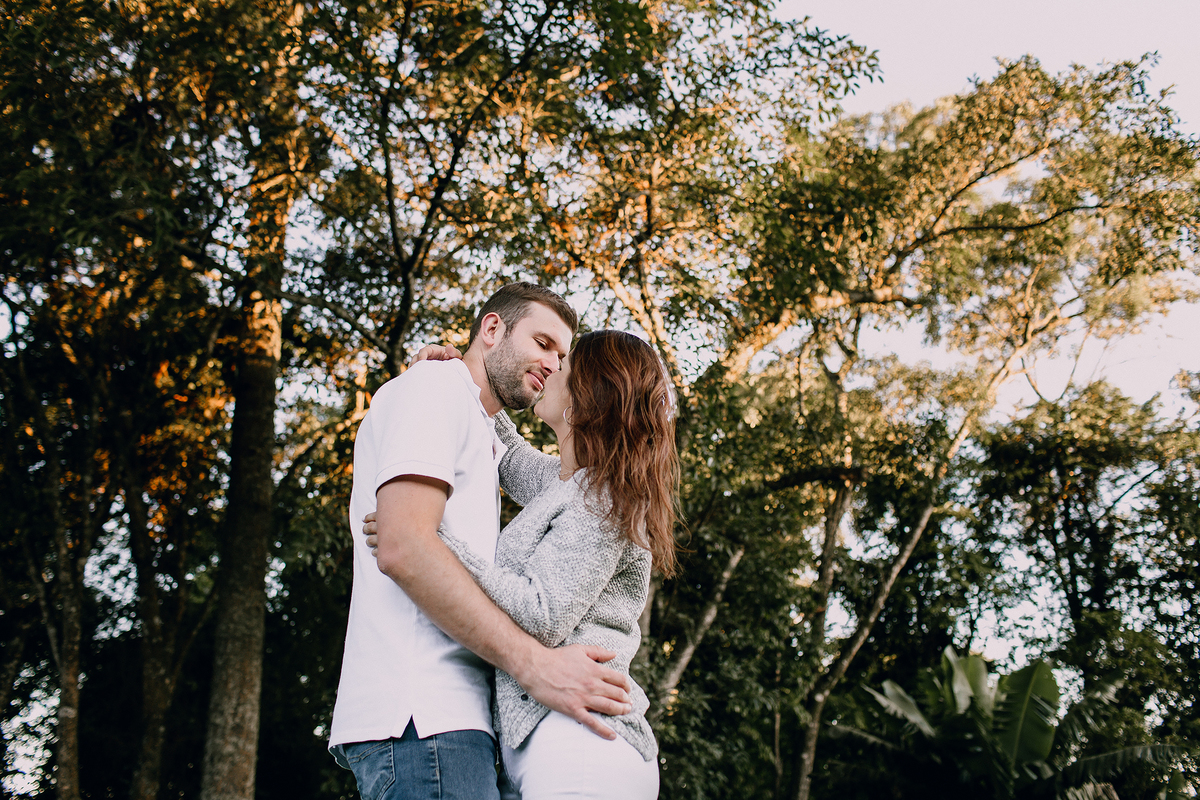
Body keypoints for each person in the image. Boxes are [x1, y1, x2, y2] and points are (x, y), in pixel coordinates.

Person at [329, 283, 634, 800]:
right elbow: (403, 546)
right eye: (543, 343)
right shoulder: (436, 391)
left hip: (453, 725)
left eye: (562, 356)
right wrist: (533, 666)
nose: (553, 365)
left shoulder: (494, 433)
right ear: (492, 329)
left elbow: (506, 454)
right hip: (422, 716)